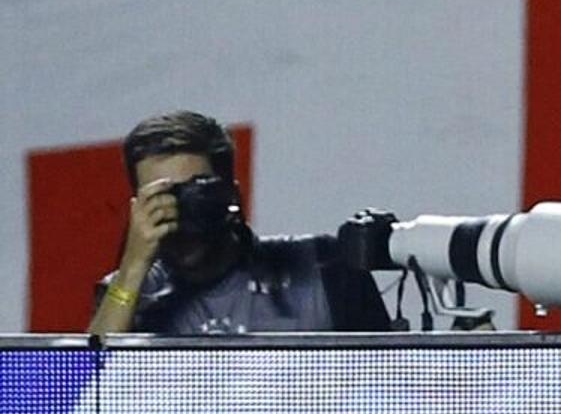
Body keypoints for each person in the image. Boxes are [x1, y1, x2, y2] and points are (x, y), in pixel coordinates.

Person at [90, 110, 394, 337]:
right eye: (163, 198)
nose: (180, 212)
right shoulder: (130, 293)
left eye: (196, 191)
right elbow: (83, 395)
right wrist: (133, 266)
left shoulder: (322, 266)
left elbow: (392, 389)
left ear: (231, 193)